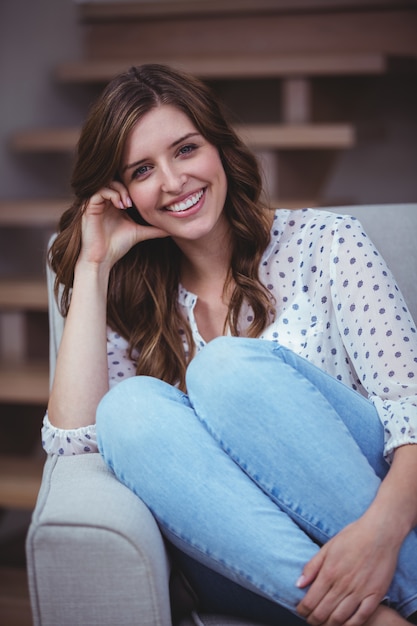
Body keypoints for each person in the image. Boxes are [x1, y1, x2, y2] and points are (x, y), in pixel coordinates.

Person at [42, 64, 417, 625]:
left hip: (381, 529)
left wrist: (380, 535)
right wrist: (94, 266)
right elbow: (78, 445)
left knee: (225, 370)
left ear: (219, 148)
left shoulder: (327, 244)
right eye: (142, 169)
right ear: (121, 194)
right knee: (127, 409)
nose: (172, 182)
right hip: (253, 565)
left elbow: (411, 411)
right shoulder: (133, 297)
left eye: (186, 149)